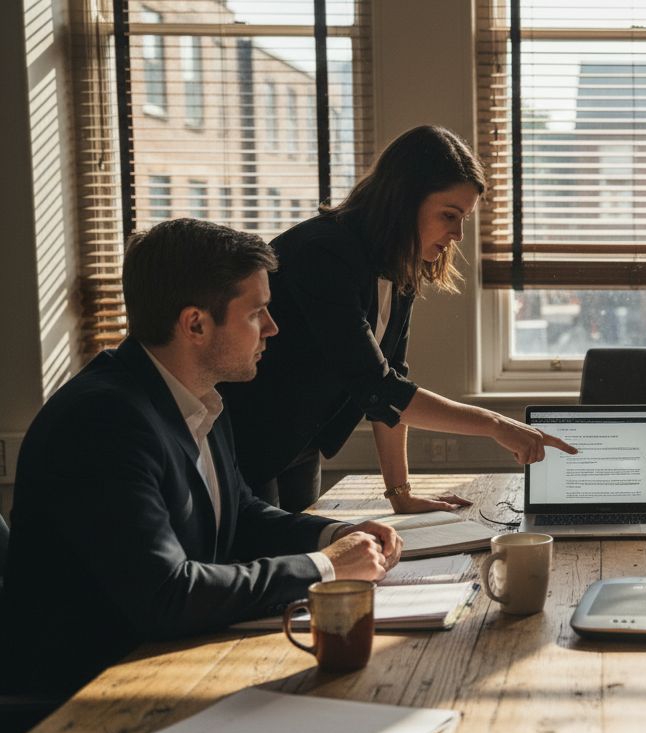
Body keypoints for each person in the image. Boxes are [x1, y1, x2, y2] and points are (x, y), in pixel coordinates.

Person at [0, 219, 402, 698]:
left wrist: (335, 534)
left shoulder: (198, 395)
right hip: (87, 694)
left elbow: (240, 515)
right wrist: (325, 566)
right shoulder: (102, 421)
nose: (273, 328)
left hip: (169, 660)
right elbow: (168, 594)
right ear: (195, 323)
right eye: (257, 313)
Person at [219, 125, 576, 513]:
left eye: (464, 219)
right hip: (248, 435)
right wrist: (494, 423)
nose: (457, 234)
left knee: (307, 556)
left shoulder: (399, 265)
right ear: (405, 201)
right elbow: (377, 386)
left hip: (301, 440)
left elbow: (390, 384)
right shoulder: (324, 254)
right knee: (274, 558)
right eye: (449, 215)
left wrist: (400, 495)